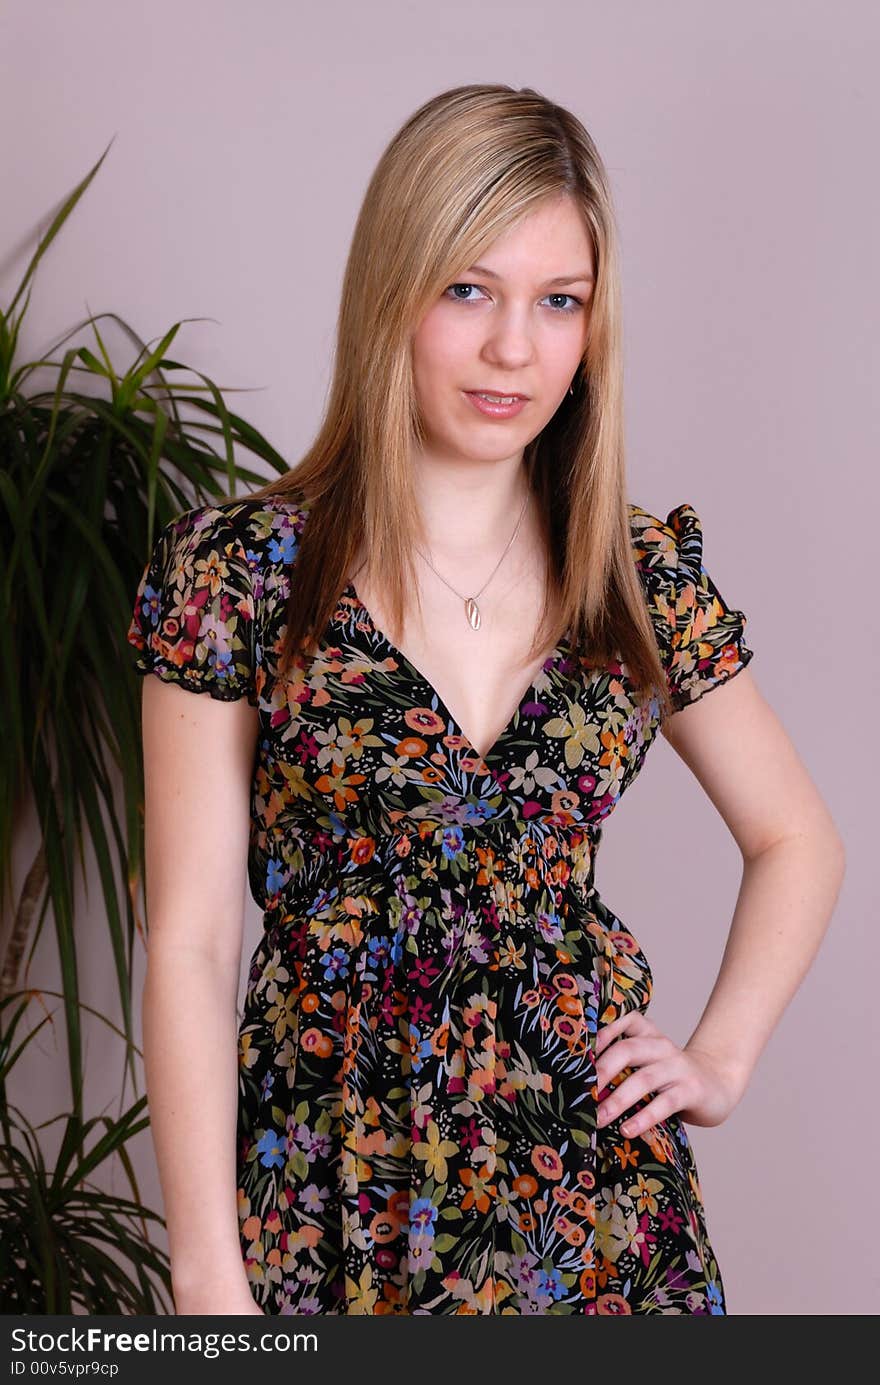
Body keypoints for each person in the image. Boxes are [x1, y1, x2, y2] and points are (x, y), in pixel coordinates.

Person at [126, 84, 845, 1316]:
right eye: (469, 289)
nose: (516, 347)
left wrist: (716, 1057)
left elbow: (798, 840)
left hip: (600, 1213)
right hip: (330, 1193)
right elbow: (188, 942)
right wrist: (206, 1274)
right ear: (390, 292)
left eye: (557, 301)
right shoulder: (236, 572)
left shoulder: (634, 574)